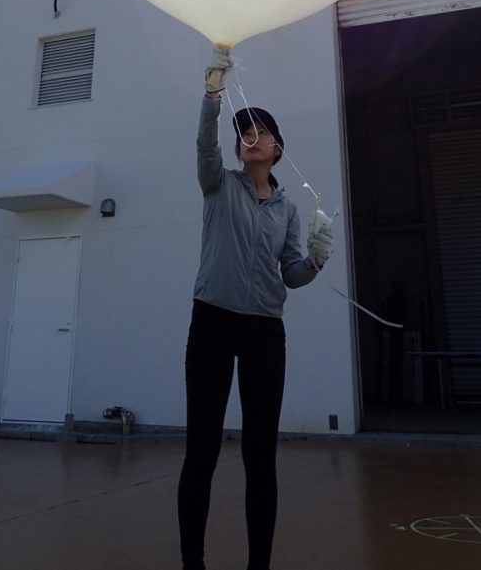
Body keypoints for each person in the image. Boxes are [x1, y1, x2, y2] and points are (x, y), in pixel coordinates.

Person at [177, 45, 334, 570]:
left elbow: (290, 274)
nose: (250, 136)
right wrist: (213, 95)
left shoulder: (288, 209)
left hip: (266, 332)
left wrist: (316, 259)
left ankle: (258, 566)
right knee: (201, 449)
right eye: (243, 132)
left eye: (260, 130)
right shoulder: (219, 185)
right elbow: (204, 146)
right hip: (213, 324)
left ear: (278, 148)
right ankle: (192, 563)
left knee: (259, 456)